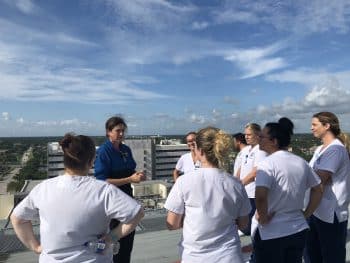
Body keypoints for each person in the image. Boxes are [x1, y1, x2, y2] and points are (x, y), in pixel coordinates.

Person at [11, 133, 144, 262]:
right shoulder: (102, 190)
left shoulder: (43, 188)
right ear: (92, 161)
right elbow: (137, 214)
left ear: (65, 159)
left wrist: (36, 247)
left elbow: (17, 218)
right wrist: (110, 238)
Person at [165, 127, 251, 263]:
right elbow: (243, 223)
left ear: (200, 150)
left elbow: (171, 224)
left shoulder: (183, 182)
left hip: (195, 256)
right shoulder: (235, 184)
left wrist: (189, 219)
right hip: (229, 256)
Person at [252, 118, 322, 263]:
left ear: (274, 141)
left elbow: (260, 197)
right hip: (297, 228)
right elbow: (318, 189)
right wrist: (307, 213)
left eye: (262, 137)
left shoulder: (266, 164)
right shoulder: (301, 162)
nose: (259, 140)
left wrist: (263, 218)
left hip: (272, 232)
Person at [94, 116, 146, 263]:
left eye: (123, 131)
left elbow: (130, 170)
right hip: (111, 205)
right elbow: (102, 181)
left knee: (127, 243)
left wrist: (137, 175)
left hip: (127, 200)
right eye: (118, 131)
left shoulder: (125, 149)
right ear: (108, 132)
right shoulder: (104, 151)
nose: (121, 134)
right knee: (111, 243)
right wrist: (130, 179)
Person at [304, 112, 350, 263]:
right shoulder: (320, 149)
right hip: (317, 210)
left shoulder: (335, 150)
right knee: (313, 253)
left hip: (332, 213)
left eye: (315, 125)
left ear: (327, 126)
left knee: (331, 256)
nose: (311, 128)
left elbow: (318, 179)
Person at [237, 123, 267, 236]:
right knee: (245, 226)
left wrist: (240, 184)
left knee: (253, 228)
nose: (246, 137)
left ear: (258, 134)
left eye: (249, 135)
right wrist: (235, 182)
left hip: (254, 193)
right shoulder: (246, 150)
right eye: (245, 135)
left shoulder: (261, 150)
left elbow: (255, 172)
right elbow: (241, 168)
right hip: (245, 192)